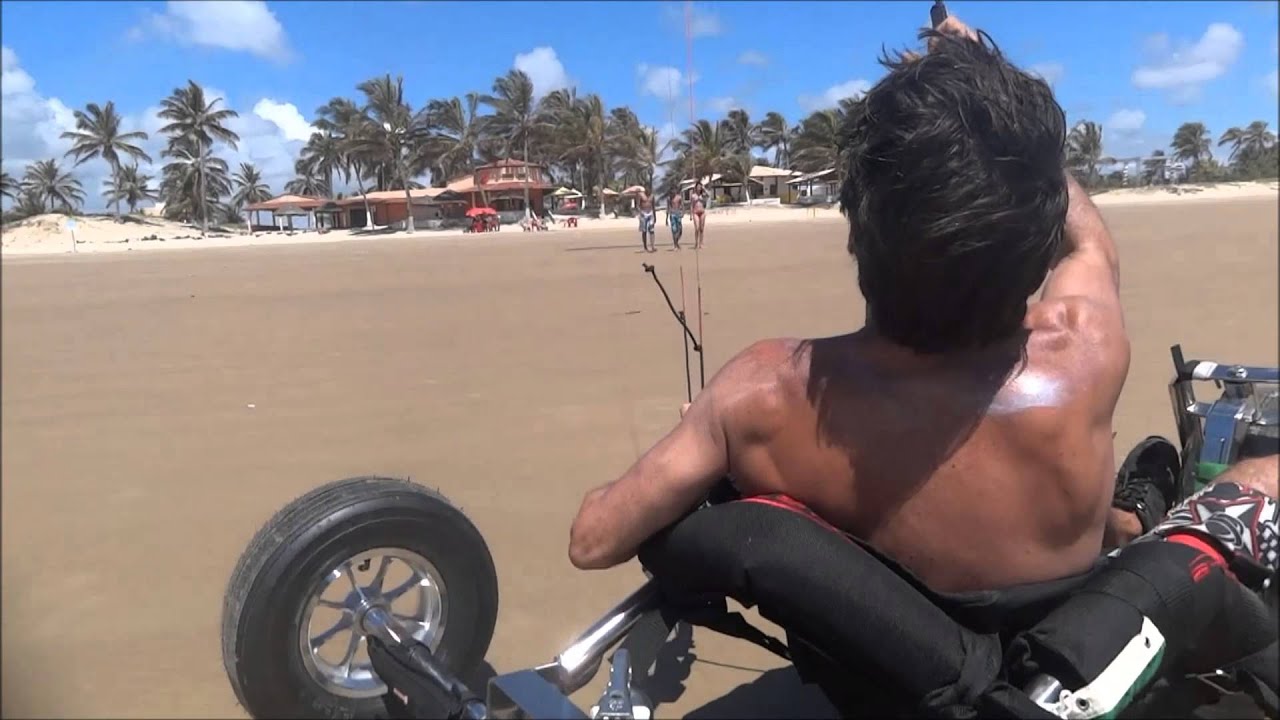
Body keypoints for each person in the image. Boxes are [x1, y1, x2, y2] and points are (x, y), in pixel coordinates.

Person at [566, 16, 1280, 593]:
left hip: (897, 671)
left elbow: (594, 539)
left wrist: (704, 429)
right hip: (1067, 643)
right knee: (1261, 472)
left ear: (856, 228)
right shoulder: (1086, 349)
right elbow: (1090, 245)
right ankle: (1126, 525)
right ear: (1033, 237)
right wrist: (990, 112)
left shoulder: (761, 394)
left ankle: (1125, 522)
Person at [636, 189, 657, 253]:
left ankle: (652, 246)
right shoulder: (641, 195)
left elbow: (653, 206)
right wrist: (640, 212)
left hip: (650, 214)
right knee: (644, 231)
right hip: (643, 214)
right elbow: (637, 205)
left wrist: (655, 216)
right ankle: (645, 247)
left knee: (651, 230)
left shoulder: (652, 196)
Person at [689, 182, 707, 249]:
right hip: (695, 212)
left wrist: (704, 189)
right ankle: (696, 243)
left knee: (701, 229)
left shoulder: (703, 195)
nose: (699, 188)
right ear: (696, 187)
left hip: (702, 212)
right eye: (698, 186)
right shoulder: (693, 195)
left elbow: (709, 195)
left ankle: (701, 243)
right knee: (697, 228)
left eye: (700, 187)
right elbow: (691, 205)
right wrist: (690, 215)